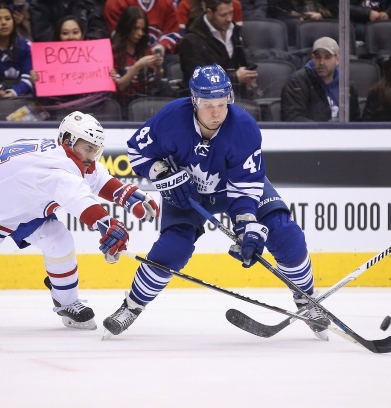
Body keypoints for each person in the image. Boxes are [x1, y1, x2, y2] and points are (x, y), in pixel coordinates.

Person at [101, 64, 330, 340]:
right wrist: (163, 173)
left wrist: (246, 227)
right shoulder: (172, 119)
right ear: (194, 100)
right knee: (172, 249)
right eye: (208, 104)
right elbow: (137, 152)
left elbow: (245, 189)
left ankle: (307, 301)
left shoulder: (244, 128)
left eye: (222, 104)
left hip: (231, 188)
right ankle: (132, 306)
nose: (216, 113)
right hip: (185, 192)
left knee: (284, 232)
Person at [0, 111, 158, 330]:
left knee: (58, 239)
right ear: (68, 141)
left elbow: (97, 179)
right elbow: (78, 198)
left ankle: (67, 303)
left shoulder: (65, 153)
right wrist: (106, 224)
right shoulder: (57, 168)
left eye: (96, 149)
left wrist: (126, 196)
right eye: (88, 148)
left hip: (16, 206)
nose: (92, 156)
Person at [179, 0, 257, 99]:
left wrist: (248, 75)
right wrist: (235, 78)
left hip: (235, 97)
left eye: (231, 13)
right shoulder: (191, 41)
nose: (229, 19)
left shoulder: (233, 30)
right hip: (205, 102)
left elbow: (240, 62)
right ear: (210, 13)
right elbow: (200, 80)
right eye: (223, 15)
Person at [281, 37, 360, 122]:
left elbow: (354, 121)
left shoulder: (346, 85)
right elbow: (293, 118)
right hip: (310, 134)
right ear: (313, 58)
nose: (322, 62)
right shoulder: (297, 82)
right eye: (318, 57)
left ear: (337, 59)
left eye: (327, 57)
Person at [110, 6, 171, 110]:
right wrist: (138, 66)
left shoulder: (146, 50)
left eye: (142, 29)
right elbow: (119, 87)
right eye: (135, 29)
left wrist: (158, 68)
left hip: (147, 100)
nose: (140, 33)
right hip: (125, 105)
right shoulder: (112, 52)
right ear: (126, 27)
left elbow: (155, 80)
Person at [103, 0, 180, 57]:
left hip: (159, 57)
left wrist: (162, 46)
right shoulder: (116, 3)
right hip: (126, 56)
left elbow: (173, 33)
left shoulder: (166, 3)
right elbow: (118, 37)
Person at [29, 0, 108, 42]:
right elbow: (42, 35)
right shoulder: (39, 5)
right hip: (55, 58)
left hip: (87, 55)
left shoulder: (90, 2)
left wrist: (84, 43)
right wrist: (66, 41)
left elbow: (98, 28)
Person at [177, 0, 242, 34]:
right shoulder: (185, 4)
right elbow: (182, 35)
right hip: (196, 48)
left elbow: (239, 33)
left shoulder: (233, 4)